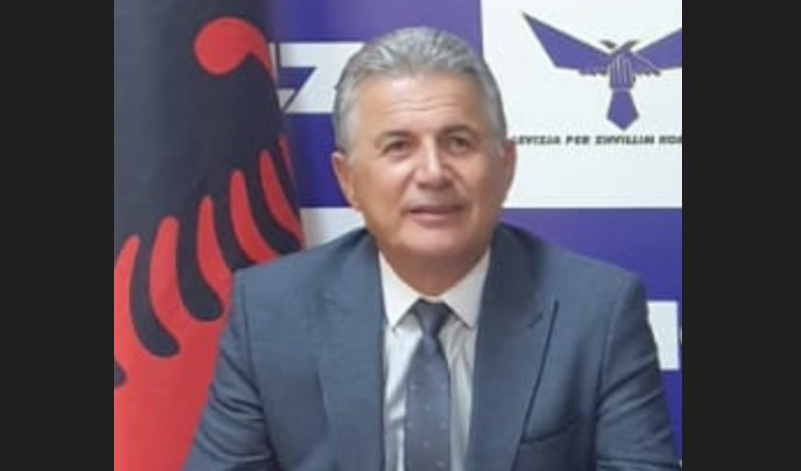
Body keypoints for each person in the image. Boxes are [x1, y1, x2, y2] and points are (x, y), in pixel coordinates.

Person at [183, 26, 680, 471]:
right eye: (398, 146)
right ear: (348, 180)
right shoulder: (270, 312)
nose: (433, 173)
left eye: (459, 142)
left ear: (505, 165)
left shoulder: (596, 312)